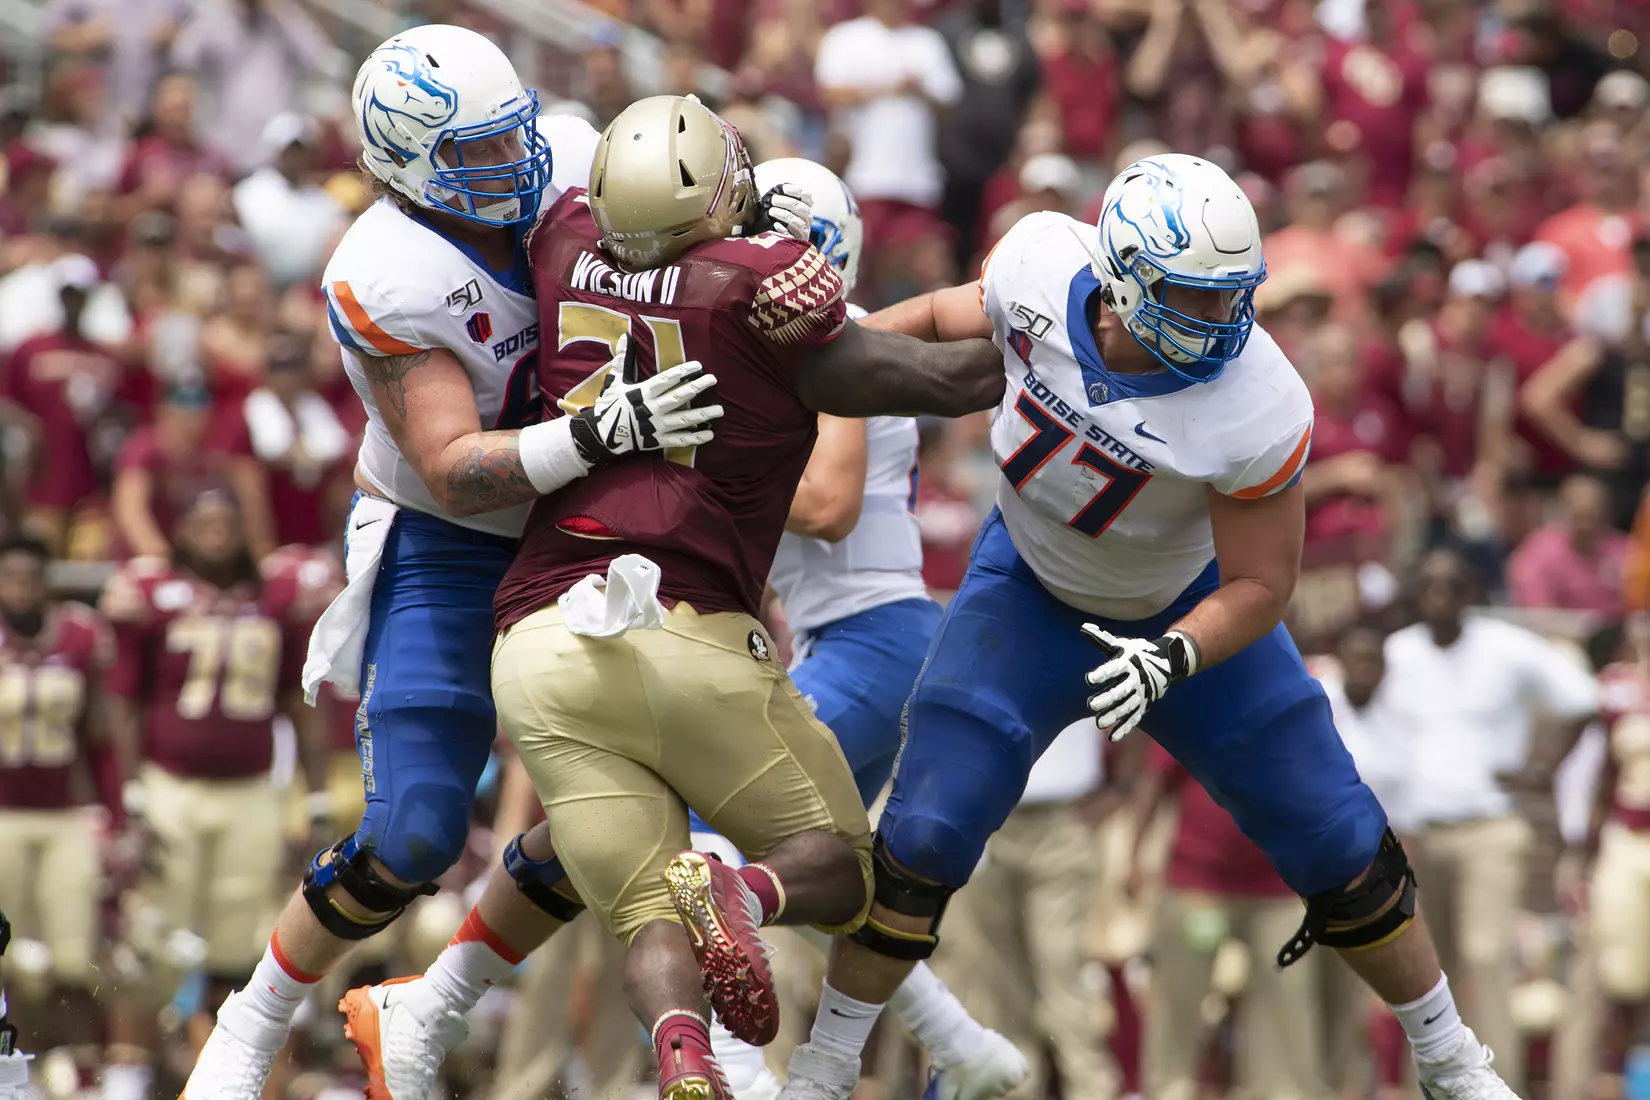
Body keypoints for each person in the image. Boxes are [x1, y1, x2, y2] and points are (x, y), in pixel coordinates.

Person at [773, 153, 1525, 1100]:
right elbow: (930, 321)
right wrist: (829, 379)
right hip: (1027, 587)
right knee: (922, 835)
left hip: (1185, 605)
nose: (1223, 323)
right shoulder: (1040, 264)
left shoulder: (1259, 399)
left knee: (1339, 834)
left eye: (1231, 298)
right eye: (1194, 299)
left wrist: (1177, 653)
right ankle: (827, 1064)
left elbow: (1263, 580)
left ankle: (1451, 1059)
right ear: (1122, 276)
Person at [181, 26, 815, 1099]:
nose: (515, 165)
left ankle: (431, 1005)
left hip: (603, 526)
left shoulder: (574, 154)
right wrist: (595, 433)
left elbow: (706, 199)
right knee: (417, 830)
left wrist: (767, 241)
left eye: (513, 134)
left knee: (626, 815)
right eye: (477, 153)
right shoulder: (387, 273)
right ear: (400, 161)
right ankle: (252, 1022)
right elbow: (453, 465)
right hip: (455, 537)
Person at [344, 93, 1004, 1100]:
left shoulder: (562, 238)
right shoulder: (769, 289)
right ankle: (786, 972)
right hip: (698, 624)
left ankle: (688, 1060)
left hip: (538, 636)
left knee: (649, 903)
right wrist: (1070, 350)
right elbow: (927, 386)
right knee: (835, 867)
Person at [683, 156, 1026, 1100]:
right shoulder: (807, 349)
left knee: (706, 836)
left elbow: (829, 505)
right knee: (831, 879)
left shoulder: (831, 346)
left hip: (878, 638)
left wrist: (688, 469)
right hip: (864, 641)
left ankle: (744, 1071)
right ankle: (965, 1049)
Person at [100, 492, 333, 1100]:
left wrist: (312, 801)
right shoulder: (156, 596)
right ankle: (129, 1071)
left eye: (228, 522)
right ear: (182, 532)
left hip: (251, 790)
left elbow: (297, 705)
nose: (217, 534)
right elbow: (126, 702)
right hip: (169, 783)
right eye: (204, 523)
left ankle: (231, 1074)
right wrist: (132, 794)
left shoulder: (274, 602)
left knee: (242, 942)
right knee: (152, 938)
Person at [0, 536, 122, 1064]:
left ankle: (78, 1070)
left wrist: (117, 815)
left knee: (73, 959)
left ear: (47, 581)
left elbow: (99, 738)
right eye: (11, 578)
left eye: (30, 578)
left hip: (63, 814)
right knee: (7, 957)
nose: (21, 590)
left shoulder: (77, 637)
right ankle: (11, 1065)